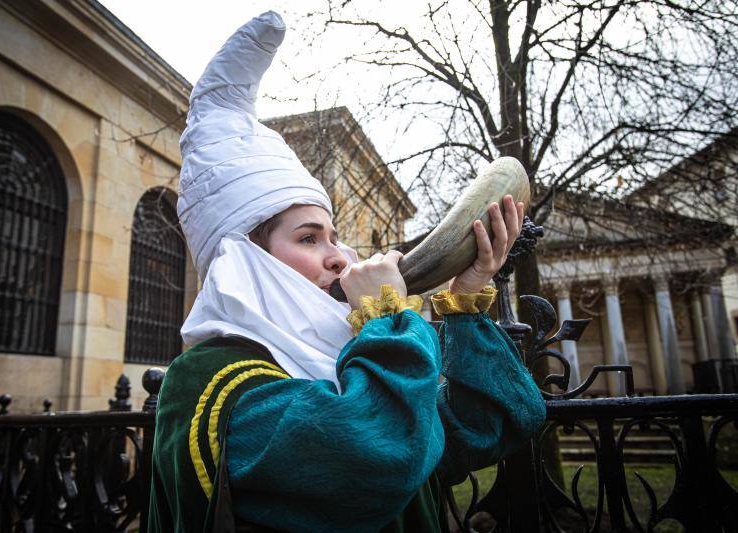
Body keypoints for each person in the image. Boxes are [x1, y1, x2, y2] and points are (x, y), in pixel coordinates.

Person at [148, 11, 545, 533]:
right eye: (310, 238)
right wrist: (384, 313)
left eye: (335, 237)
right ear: (247, 265)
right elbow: (383, 456)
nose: (341, 257)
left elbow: (488, 426)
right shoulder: (212, 383)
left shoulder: (341, 356)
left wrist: (466, 299)